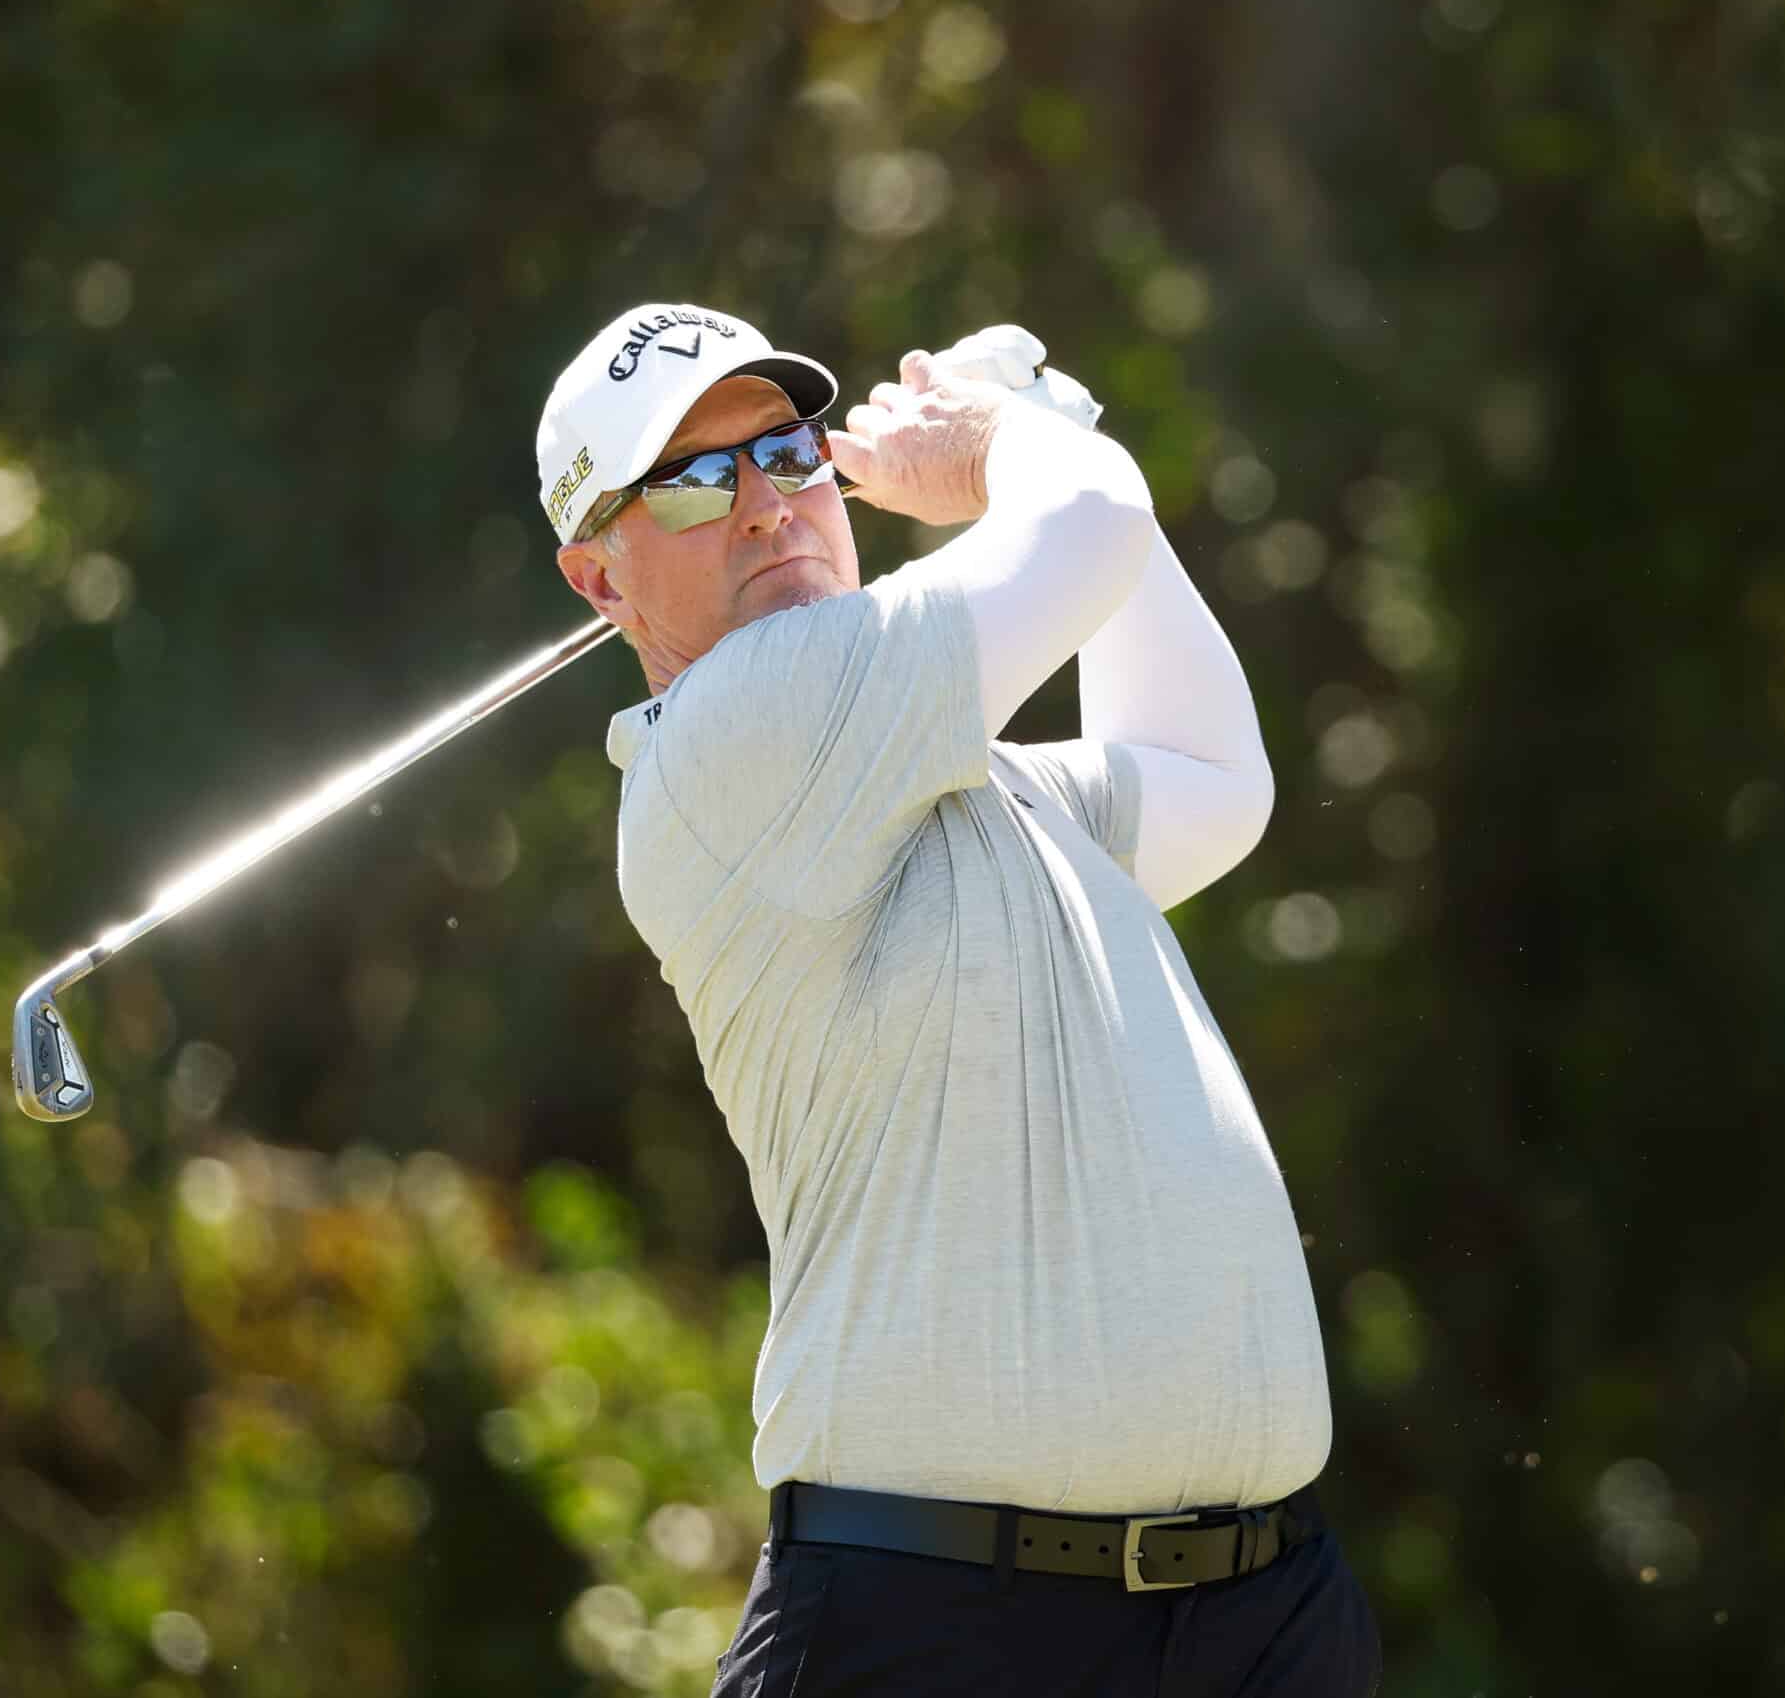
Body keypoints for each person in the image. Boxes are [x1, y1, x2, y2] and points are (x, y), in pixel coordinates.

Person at [537, 302, 1379, 1696]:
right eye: (692, 480)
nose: (764, 507)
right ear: (602, 580)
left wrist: (1064, 438)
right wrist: (1014, 437)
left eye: (791, 453)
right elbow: (1085, 523)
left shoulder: (977, 783)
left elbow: (1210, 776)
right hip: (945, 1625)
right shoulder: (733, 739)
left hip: (1259, 1620)